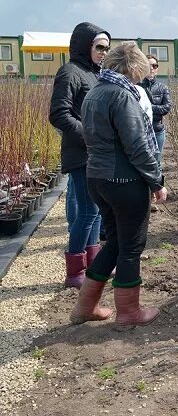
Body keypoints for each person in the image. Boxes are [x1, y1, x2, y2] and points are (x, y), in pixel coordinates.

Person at [69, 42, 167, 328]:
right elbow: (137, 146)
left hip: (97, 177)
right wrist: (156, 181)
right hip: (123, 180)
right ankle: (129, 312)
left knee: (114, 242)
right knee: (131, 246)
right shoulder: (122, 96)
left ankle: (84, 308)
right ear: (134, 66)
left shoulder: (95, 92)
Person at [49, 22, 110, 288]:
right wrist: (90, 136)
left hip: (97, 154)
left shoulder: (93, 74)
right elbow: (59, 114)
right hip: (81, 154)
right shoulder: (70, 72)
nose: (104, 53)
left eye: (107, 48)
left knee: (96, 212)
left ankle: (93, 265)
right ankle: (75, 273)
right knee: (86, 211)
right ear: (85, 45)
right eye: (99, 47)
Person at [140, 54, 171, 172]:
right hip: (140, 131)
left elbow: (166, 108)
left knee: (156, 163)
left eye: (155, 65)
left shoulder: (163, 88)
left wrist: (148, 107)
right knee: (142, 162)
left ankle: (157, 188)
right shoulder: (136, 86)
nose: (152, 68)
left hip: (157, 130)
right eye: (149, 65)